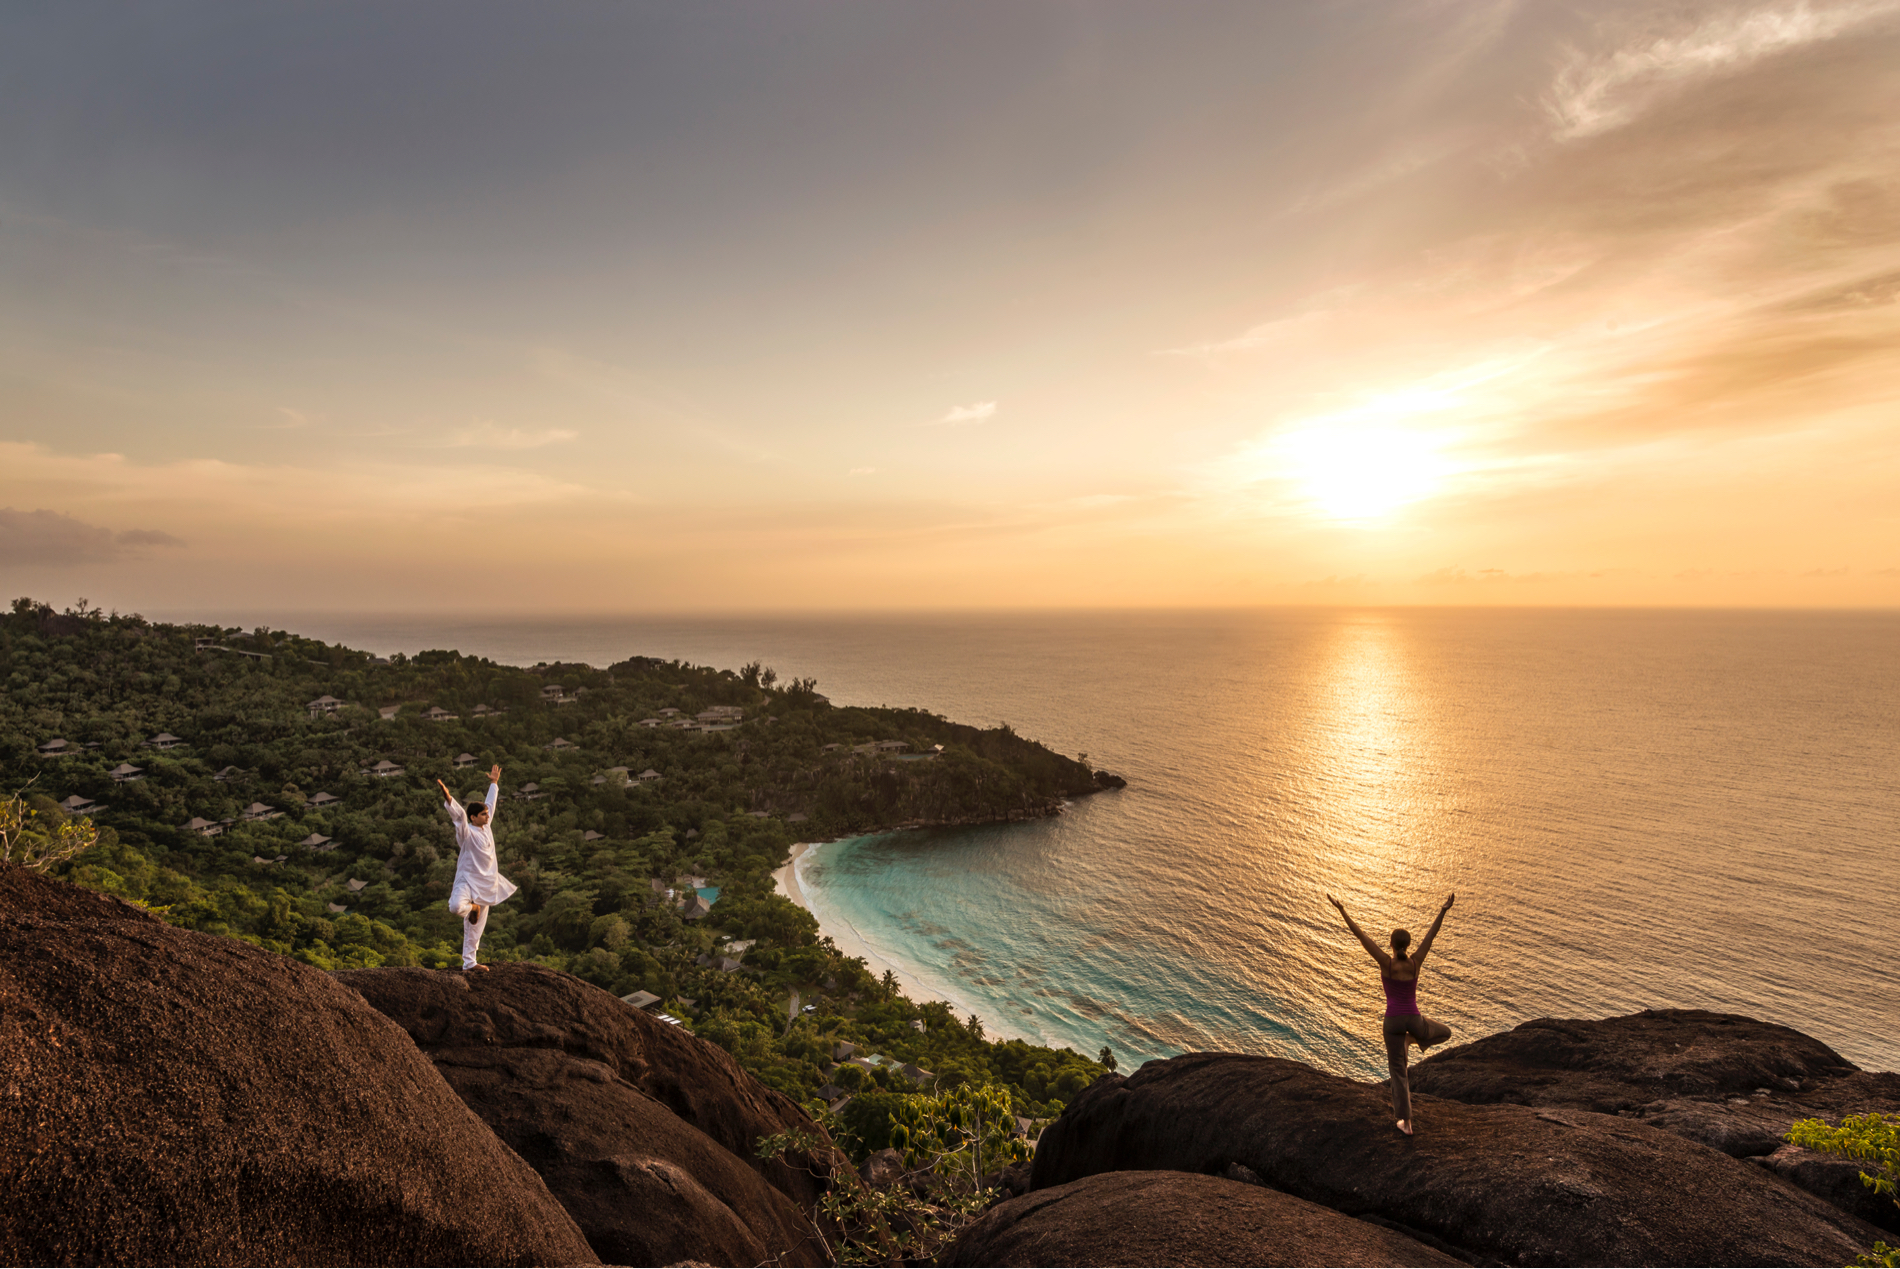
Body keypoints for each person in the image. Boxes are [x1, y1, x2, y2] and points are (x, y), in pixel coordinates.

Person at [1327, 891, 1455, 1136]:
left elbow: (1360, 935)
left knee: (1398, 1073)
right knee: (1445, 1032)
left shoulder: (1386, 963)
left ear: (1391, 945)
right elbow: (1432, 934)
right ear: (1408, 945)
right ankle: (1413, 1039)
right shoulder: (1416, 961)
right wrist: (1443, 909)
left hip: (1392, 1022)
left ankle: (1406, 1125)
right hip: (1415, 1020)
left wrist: (1342, 909)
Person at [437, 764, 516, 972]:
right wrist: (448, 797)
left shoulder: (486, 826)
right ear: (473, 817)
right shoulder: (467, 833)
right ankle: (473, 908)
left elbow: (491, 803)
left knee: (475, 928)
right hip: (467, 881)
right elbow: (459, 817)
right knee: (455, 908)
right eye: (483, 814)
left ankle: (470, 963)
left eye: (486, 814)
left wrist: (494, 783)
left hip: (486, 883)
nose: (487, 816)